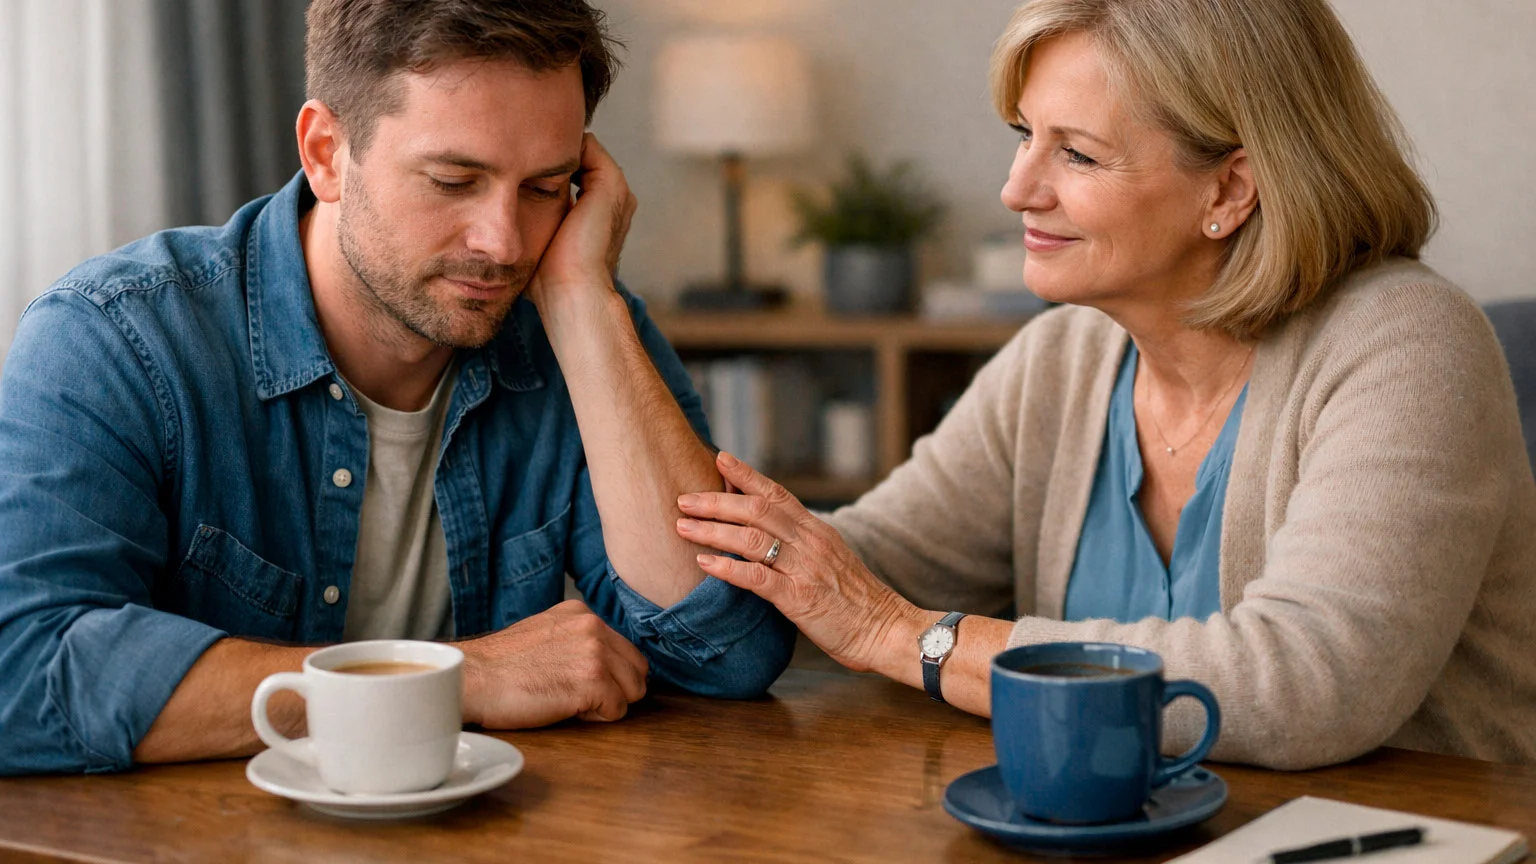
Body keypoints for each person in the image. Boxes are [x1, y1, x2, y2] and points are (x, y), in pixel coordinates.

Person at [675, 0, 1536, 769]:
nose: (1017, 190)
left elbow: (1311, 683)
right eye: (1025, 136)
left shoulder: (1409, 344)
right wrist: (593, 306)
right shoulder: (1062, 359)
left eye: (1078, 155)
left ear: (1230, 189)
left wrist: (903, 637)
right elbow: (857, 568)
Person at [0, 0, 794, 776]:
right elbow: (21, 678)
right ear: (324, 153)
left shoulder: (576, 321)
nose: (504, 243)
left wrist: (586, 300)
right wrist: (454, 677)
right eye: (454, 180)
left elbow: (729, 651)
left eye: (547, 187)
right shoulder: (117, 340)